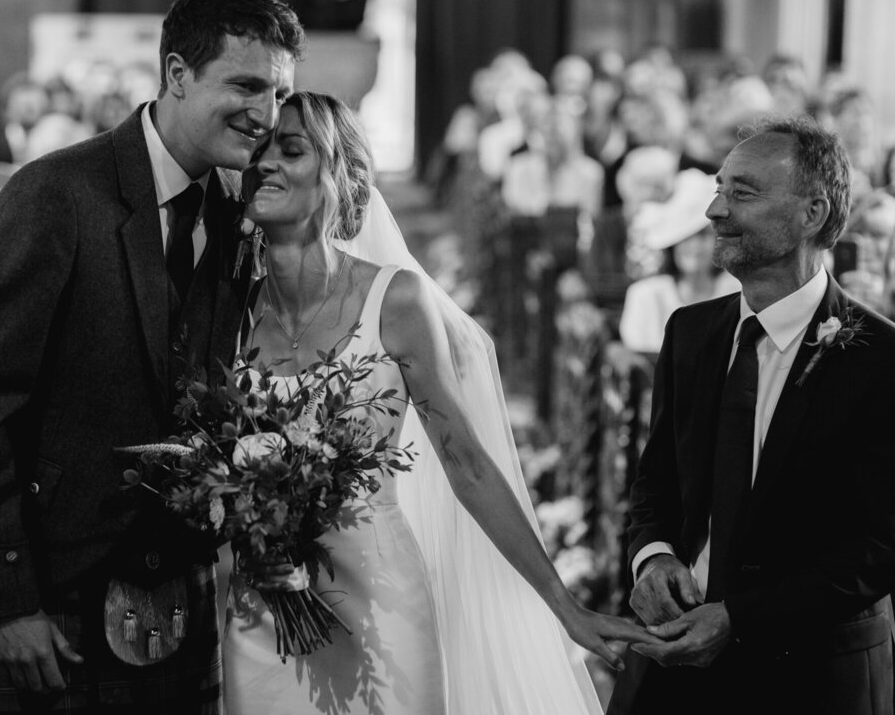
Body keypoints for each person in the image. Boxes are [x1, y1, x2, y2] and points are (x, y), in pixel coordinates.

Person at [0, 0, 305, 713]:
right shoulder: (53, 197)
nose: (266, 114)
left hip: (180, 599)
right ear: (177, 75)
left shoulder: (241, 214)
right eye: (248, 84)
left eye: (281, 94)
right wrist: (3, 601)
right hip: (47, 602)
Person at [221, 91, 657, 714]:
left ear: (339, 178)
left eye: (291, 149)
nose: (264, 164)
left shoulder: (395, 301)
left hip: (377, 597)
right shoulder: (226, 309)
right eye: (258, 151)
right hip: (260, 603)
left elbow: (467, 462)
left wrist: (565, 606)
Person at [608, 116, 895, 715]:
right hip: (676, 664)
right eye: (720, 188)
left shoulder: (879, 358)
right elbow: (655, 483)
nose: (714, 210)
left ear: (811, 215)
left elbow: (878, 548)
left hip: (814, 676)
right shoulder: (691, 333)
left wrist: (739, 618)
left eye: (742, 192)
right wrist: (654, 555)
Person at [619, 169, 740, 354]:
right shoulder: (644, 295)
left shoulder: (737, 291)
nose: (694, 247)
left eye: (702, 235)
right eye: (684, 238)